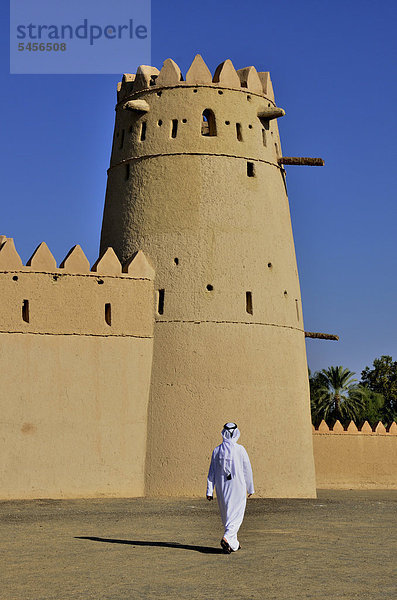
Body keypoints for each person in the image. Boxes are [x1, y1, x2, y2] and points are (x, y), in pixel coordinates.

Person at [206, 422, 254, 554]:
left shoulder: (217, 450)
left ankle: (234, 543)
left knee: (228, 514)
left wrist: (210, 491)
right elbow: (247, 470)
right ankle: (227, 538)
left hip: (222, 488)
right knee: (236, 514)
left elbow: (212, 473)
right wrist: (250, 488)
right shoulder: (240, 449)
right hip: (238, 487)